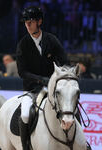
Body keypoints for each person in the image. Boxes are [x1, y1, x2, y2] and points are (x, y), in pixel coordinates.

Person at [16, 6, 69, 150]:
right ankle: (25, 146)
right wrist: (40, 79)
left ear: (39, 21)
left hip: (54, 88)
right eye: (25, 22)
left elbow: (65, 62)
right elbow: (22, 72)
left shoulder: (51, 40)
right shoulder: (23, 44)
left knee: (70, 108)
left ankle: (81, 143)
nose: (27, 24)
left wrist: (58, 78)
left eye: (31, 21)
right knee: (26, 114)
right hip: (32, 89)